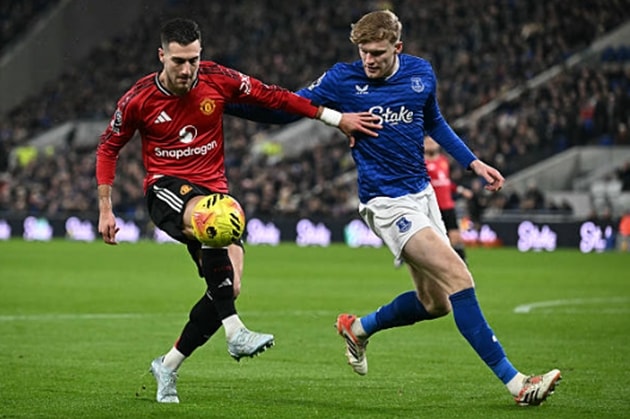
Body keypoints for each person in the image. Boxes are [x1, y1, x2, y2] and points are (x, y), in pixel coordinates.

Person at [226, 10, 561, 406]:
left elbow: (434, 122)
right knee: (459, 277)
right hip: (385, 202)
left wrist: (473, 162)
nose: (369, 60)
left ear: (397, 48)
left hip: (422, 196)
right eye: (364, 52)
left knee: (436, 303)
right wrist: (226, 102)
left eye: (378, 53)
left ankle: (358, 328)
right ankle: (517, 384)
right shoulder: (342, 79)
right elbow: (286, 108)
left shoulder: (421, 73)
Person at [95, 18, 380, 404]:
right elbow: (108, 148)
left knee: (229, 287)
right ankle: (235, 332)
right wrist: (106, 209)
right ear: (161, 56)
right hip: (167, 191)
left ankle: (168, 365)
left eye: (193, 60)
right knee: (215, 219)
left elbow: (275, 97)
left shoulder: (218, 79)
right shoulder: (138, 99)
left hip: (215, 193)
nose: (187, 69)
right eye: (178, 61)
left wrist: (335, 118)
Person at [424, 136, 472, 262]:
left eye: (433, 142)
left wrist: (461, 190)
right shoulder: (421, 163)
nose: (431, 145)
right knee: (432, 239)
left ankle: (462, 264)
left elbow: (446, 182)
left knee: (456, 237)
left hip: (448, 205)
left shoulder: (444, 161)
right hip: (432, 207)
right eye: (427, 142)